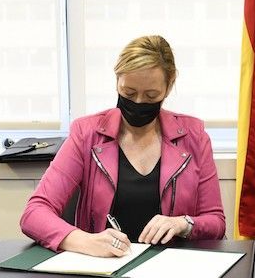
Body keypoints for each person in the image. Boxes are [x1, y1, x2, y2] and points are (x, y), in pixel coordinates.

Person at [21, 35, 225, 257]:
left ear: (169, 86)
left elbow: (216, 222)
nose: (138, 102)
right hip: (105, 267)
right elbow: (34, 213)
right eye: (129, 92)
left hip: (172, 267)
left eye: (151, 95)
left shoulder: (194, 137)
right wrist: (85, 241)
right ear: (117, 80)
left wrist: (183, 224)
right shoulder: (87, 134)